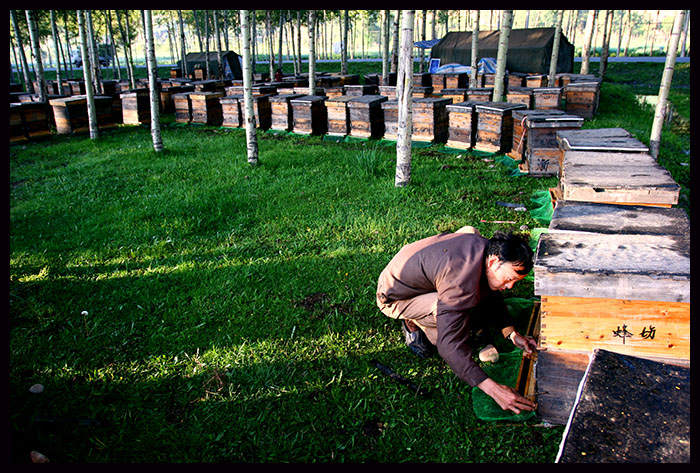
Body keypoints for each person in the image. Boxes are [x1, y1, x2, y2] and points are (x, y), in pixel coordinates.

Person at [376, 226, 544, 414]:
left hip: (416, 269)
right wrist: (494, 390)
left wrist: (511, 333)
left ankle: (433, 307)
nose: (511, 286)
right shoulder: (459, 282)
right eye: (510, 279)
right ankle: (413, 322)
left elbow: (492, 290)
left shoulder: (485, 250)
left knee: (470, 232)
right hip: (393, 298)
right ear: (494, 261)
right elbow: (450, 345)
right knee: (447, 317)